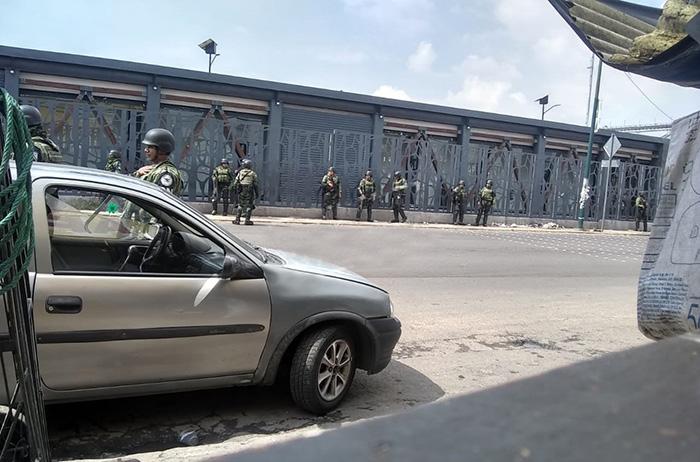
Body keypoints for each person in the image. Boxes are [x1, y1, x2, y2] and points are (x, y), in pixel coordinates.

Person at [134, 128, 183, 195]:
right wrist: (138, 173)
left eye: (150, 147)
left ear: (161, 150)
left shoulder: (166, 173)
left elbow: (161, 201)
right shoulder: (153, 169)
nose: (146, 150)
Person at [233, 158, 259, 225]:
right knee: (249, 205)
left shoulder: (240, 172)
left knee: (240, 205)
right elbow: (255, 184)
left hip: (241, 190)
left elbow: (236, 182)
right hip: (249, 190)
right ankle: (247, 220)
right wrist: (257, 193)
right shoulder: (252, 173)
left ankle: (237, 219)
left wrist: (236, 190)